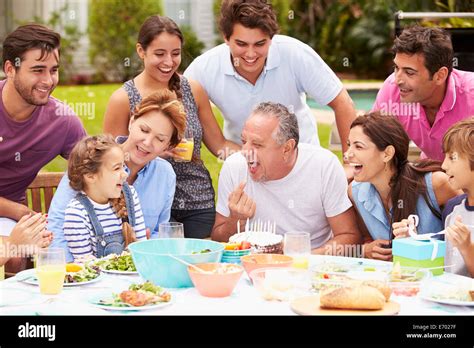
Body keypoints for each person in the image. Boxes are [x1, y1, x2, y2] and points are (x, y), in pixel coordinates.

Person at [103, 15, 240, 239]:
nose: (169, 61)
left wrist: (255, 155)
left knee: (197, 262)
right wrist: (155, 153)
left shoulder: (193, 90)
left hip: (196, 202)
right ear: (141, 51)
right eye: (159, 54)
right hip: (143, 205)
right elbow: (109, 161)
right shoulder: (123, 99)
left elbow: (220, 145)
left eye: (175, 54)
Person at [184, 0, 356, 155]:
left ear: (271, 38)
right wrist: (254, 160)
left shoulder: (295, 54)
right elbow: (172, 106)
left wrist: (350, 164)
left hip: (302, 158)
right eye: (241, 44)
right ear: (226, 38)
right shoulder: (203, 69)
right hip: (243, 160)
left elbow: (342, 103)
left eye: (260, 44)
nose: (250, 54)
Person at [48, 90, 185, 262]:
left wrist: (148, 247)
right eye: (144, 130)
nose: (147, 142)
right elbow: (57, 225)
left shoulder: (165, 175)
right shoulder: (93, 163)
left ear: (168, 146)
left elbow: (160, 231)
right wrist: (72, 274)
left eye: (160, 139)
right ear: (131, 121)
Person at [213, 102, 361, 254]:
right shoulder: (233, 166)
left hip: (307, 267)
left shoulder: (324, 166)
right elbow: (218, 239)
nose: (245, 152)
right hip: (250, 264)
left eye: (257, 145)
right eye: (244, 141)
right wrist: (236, 220)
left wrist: (300, 258)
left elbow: (348, 236)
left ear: (287, 148)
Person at [0, 24, 85, 272]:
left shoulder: (62, 120)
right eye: (37, 70)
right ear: (10, 69)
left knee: (17, 252)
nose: (48, 81)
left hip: (8, 219)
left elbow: (96, 166)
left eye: (54, 70)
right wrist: (19, 210)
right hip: (14, 213)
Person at [346, 112, 461, 261]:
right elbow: (365, 238)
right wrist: (365, 249)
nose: (348, 154)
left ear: (387, 154)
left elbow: (467, 234)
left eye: (359, 147)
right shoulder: (355, 192)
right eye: (349, 145)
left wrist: (415, 244)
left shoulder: (437, 184)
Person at [372, 25, 474, 161]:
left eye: (409, 72)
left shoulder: (471, 95)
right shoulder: (392, 90)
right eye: (396, 68)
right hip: (431, 171)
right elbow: (373, 141)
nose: (397, 80)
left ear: (440, 75)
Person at [63, 135, 147, 262]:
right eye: (116, 168)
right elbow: (87, 269)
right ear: (90, 176)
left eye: (123, 166)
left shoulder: (130, 195)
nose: (125, 174)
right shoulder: (77, 213)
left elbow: (142, 250)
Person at [440, 117, 474, 277]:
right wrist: (409, 238)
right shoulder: (452, 208)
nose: (443, 165)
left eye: (452, 157)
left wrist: (467, 248)